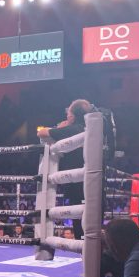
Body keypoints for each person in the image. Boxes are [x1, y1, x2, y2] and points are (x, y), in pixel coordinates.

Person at [37, 99, 94, 239]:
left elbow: (41, 132)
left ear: (73, 116)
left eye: (68, 113)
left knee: (80, 216)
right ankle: (86, 244)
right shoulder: (89, 127)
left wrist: (60, 128)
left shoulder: (74, 129)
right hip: (88, 178)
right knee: (87, 215)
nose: (67, 116)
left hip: (77, 181)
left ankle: (83, 245)